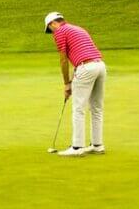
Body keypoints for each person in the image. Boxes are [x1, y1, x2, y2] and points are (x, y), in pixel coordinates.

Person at [44, 11, 105, 156]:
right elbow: (81, 54)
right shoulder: (78, 29)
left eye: (49, 29)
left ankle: (77, 147)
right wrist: (72, 80)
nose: (51, 32)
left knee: (78, 108)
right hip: (100, 66)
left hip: (86, 67)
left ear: (53, 23)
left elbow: (63, 60)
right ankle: (97, 145)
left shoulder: (60, 32)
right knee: (96, 108)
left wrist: (66, 83)